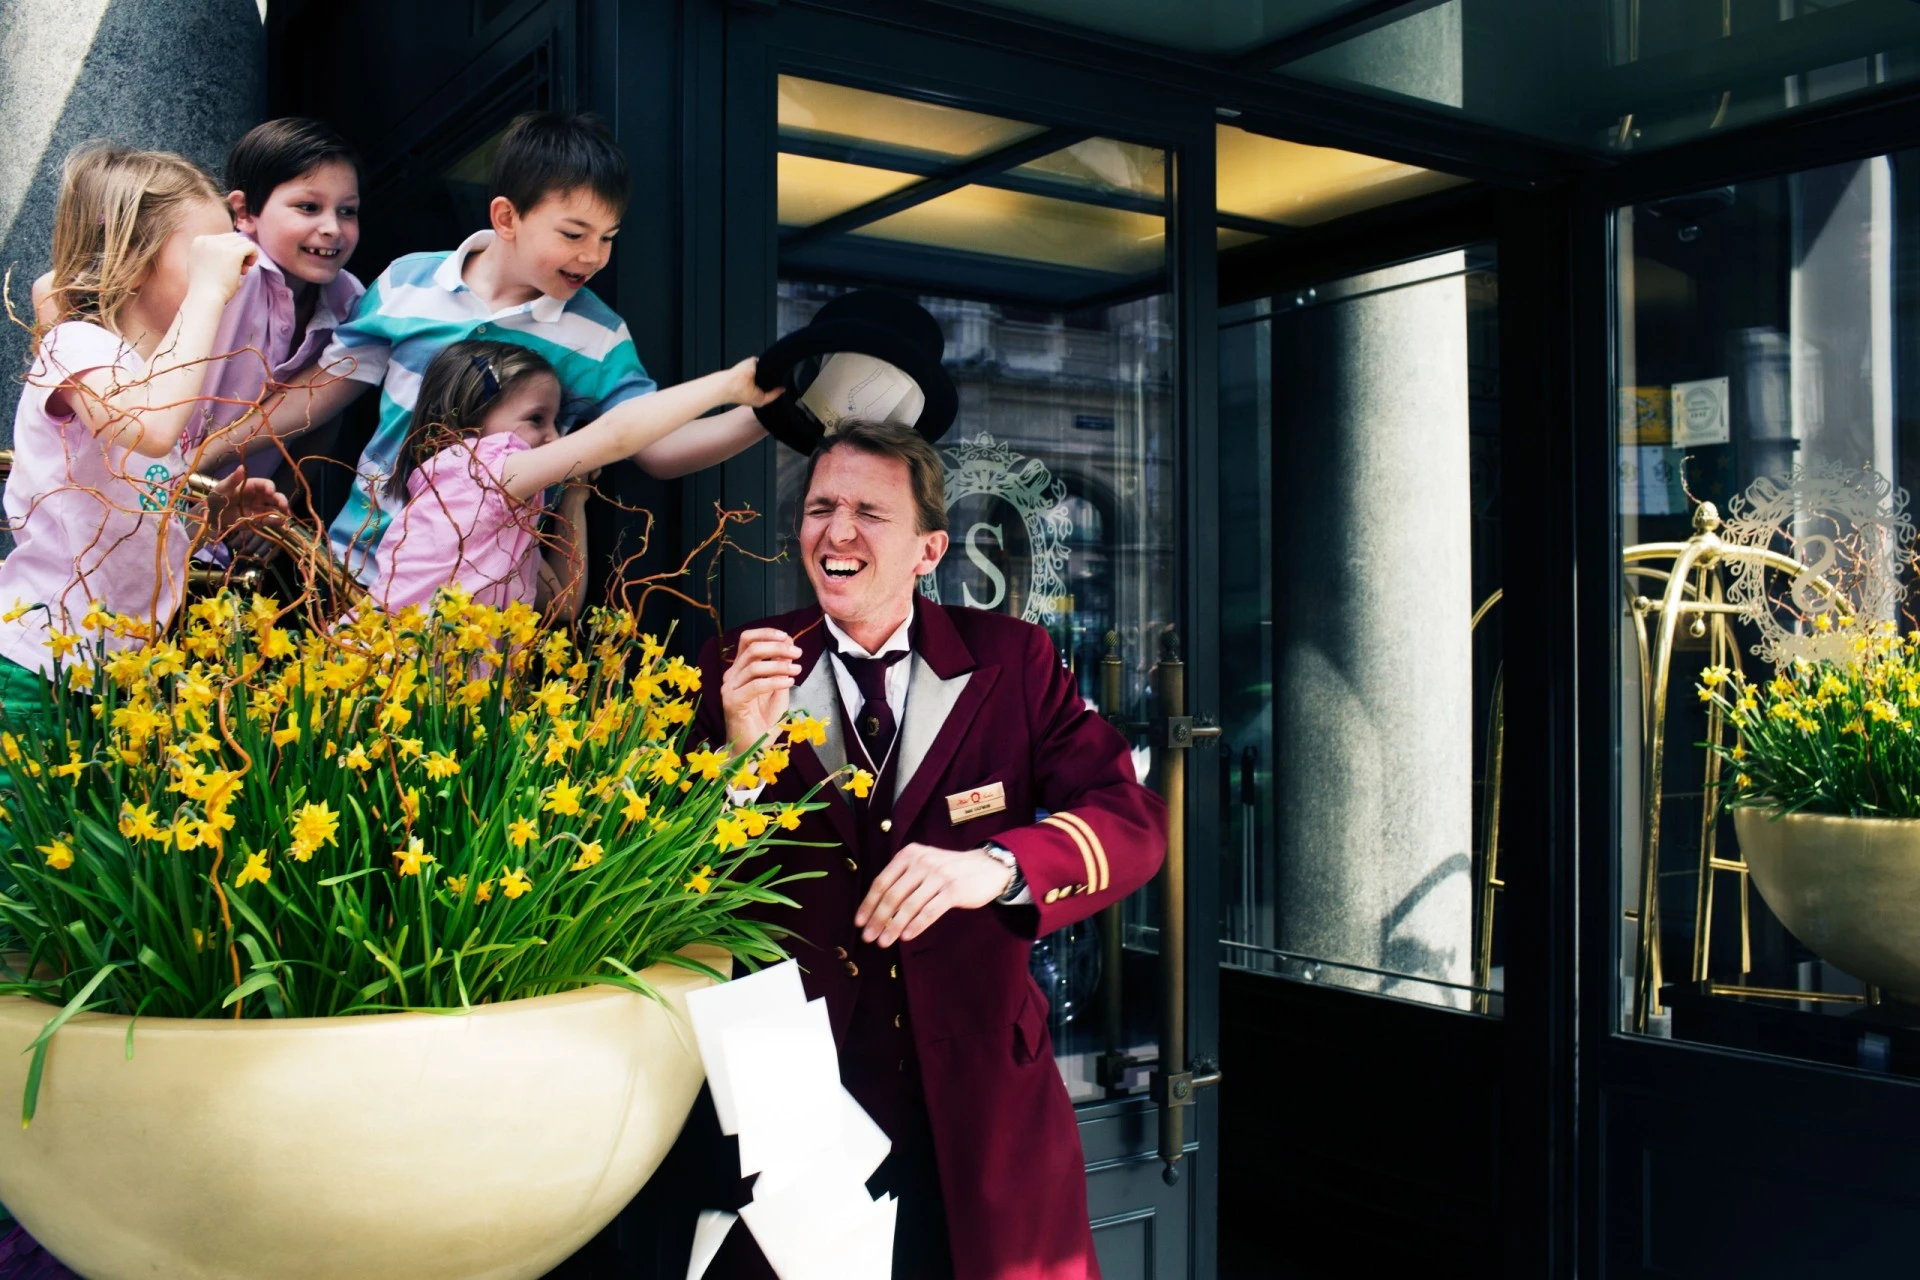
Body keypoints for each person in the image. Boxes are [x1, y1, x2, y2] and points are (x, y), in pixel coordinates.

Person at [691, 420, 1167, 1280]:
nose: (837, 532)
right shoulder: (743, 664)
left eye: (869, 512)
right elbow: (675, 880)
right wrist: (737, 760)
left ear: (929, 548)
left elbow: (1129, 821)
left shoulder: (1011, 661)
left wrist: (995, 867)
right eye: (820, 507)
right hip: (796, 1093)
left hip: (983, 1092)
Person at [255, 110, 769, 584]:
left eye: (609, 237)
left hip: (483, 596)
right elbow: (314, 396)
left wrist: (765, 417)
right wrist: (200, 452)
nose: (593, 256)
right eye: (573, 233)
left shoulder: (599, 334)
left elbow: (659, 448)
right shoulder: (407, 281)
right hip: (354, 567)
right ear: (506, 218)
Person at [0, 142, 285, 703]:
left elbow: (136, 513)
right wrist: (206, 288)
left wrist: (211, 520)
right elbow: (148, 428)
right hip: (35, 663)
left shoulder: (152, 375)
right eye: (203, 253)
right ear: (132, 259)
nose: (229, 273)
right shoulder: (76, 345)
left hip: (109, 673)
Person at [367, 339, 776, 617]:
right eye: (536, 420)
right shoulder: (472, 470)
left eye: (555, 421)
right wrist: (728, 386)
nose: (554, 438)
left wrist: (573, 501)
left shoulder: (497, 519)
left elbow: (561, 602)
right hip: (399, 683)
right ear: (466, 423)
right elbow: (614, 436)